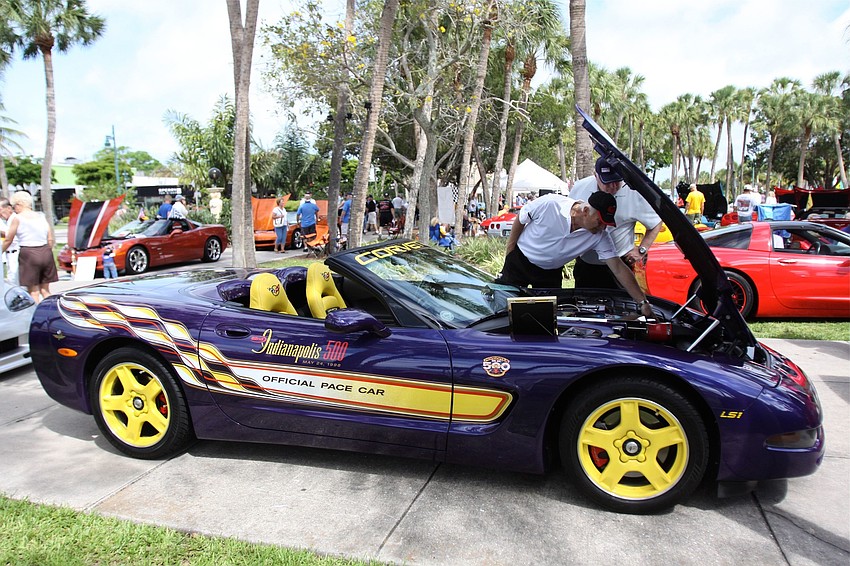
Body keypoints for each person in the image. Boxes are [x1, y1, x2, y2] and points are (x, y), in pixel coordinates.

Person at [495, 190, 654, 318]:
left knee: (544, 319)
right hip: (519, 262)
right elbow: (521, 219)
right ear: (585, 211)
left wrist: (643, 303)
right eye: (599, 222)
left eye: (606, 224)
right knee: (502, 309)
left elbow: (618, 268)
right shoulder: (550, 204)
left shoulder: (599, 236)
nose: (602, 228)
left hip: (550, 274)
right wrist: (510, 252)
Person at [570, 157, 663, 290]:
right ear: (595, 176)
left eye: (617, 181)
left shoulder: (634, 193)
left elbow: (655, 223)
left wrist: (642, 249)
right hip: (586, 263)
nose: (613, 186)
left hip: (620, 263)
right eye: (607, 182)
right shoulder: (580, 188)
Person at [1, 191, 58, 302]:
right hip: (45, 252)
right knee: (45, 290)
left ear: (19, 204)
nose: (13, 209)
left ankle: (36, 315)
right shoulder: (41, 216)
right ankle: (52, 310)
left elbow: (9, 238)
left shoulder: (18, 218)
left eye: (14, 206)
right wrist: (47, 250)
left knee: (33, 291)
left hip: (29, 253)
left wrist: (1, 250)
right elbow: (50, 238)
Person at [0, 197, 20, 284]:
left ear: (8, 208)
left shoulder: (14, 219)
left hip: (15, 253)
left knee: (15, 283)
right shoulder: (8, 221)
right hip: (9, 254)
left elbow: (9, 239)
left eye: (0, 209)